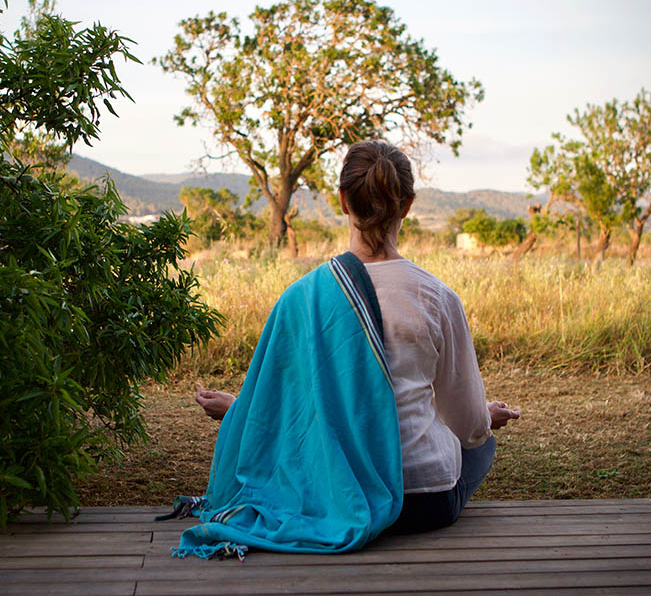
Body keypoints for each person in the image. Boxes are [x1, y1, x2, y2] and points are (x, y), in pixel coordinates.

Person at [194, 139, 519, 536]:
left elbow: (291, 404)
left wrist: (240, 408)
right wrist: (485, 416)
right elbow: (468, 425)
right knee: (482, 445)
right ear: (408, 205)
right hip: (423, 499)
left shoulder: (303, 296)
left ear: (343, 200)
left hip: (334, 492)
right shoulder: (438, 298)